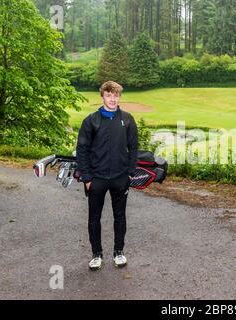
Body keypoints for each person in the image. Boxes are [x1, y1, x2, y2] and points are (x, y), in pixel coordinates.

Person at [76, 81, 138, 271]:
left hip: (120, 178)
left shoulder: (127, 119)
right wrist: (86, 178)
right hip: (97, 178)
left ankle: (118, 252)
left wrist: (129, 173)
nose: (113, 99)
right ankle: (96, 255)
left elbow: (134, 148)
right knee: (94, 218)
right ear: (102, 96)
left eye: (116, 95)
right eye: (109, 95)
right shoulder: (91, 121)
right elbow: (82, 150)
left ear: (119, 97)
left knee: (120, 216)